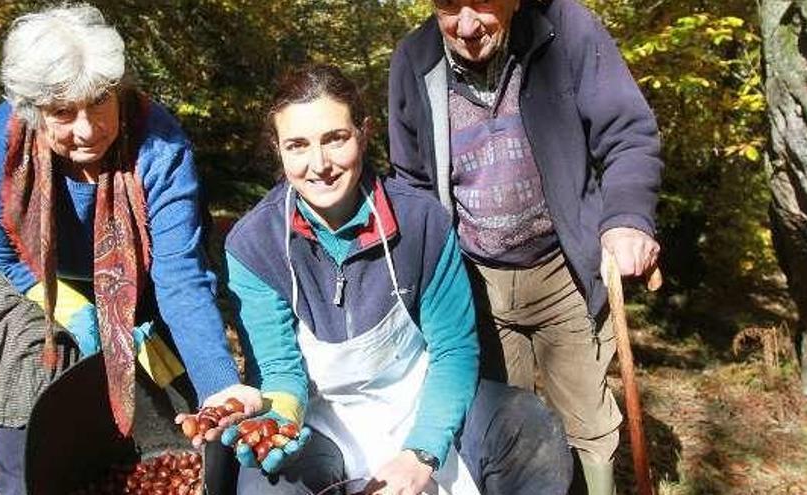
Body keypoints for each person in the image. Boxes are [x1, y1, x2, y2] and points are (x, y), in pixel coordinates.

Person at [0, 5, 261, 494]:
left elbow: (180, 275)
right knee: (27, 439)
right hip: (41, 281)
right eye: (63, 114)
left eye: (98, 103)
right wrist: (77, 314)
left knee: (172, 417)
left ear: (119, 90)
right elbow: (7, 255)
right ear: (32, 112)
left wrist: (219, 386)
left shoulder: (160, 146)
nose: (88, 130)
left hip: (146, 279)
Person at [221, 63, 572, 495]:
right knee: (263, 484)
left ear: (364, 134)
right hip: (321, 418)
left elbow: (454, 350)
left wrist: (422, 451)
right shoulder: (253, 244)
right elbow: (279, 369)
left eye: (335, 139)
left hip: (420, 400)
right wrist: (281, 421)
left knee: (526, 424)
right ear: (278, 150)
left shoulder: (421, 221)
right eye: (297, 146)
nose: (319, 164)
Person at [387, 1, 663, 493]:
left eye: (482, 4)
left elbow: (626, 135)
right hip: (475, 283)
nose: (466, 26)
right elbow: (412, 185)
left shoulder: (565, 29)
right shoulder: (413, 60)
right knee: (509, 432)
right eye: (449, 6)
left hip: (566, 273)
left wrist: (626, 218)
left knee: (588, 426)